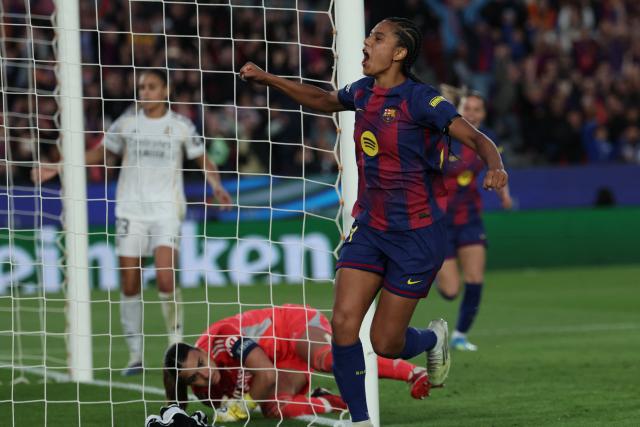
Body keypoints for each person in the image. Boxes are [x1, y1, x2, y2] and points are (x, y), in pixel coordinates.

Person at [239, 17, 508, 426]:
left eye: (377, 38)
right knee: (344, 324)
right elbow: (326, 101)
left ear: (399, 53)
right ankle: (362, 421)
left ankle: (432, 338)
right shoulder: (362, 92)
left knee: (385, 342)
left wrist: (495, 165)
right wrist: (269, 79)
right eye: (369, 36)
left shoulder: (421, 100)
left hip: (417, 235)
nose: (366, 42)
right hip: (370, 227)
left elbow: (474, 137)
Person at [35, 69, 233, 376]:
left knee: (166, 278)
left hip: (166, 210)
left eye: (152, 86)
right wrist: (57, 167)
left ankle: (175, 346)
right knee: (130, 283)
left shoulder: (180, 126)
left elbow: (202, 158)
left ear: (165, 90)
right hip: (130, 210)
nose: (145, 92)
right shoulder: (127, 122)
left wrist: (216, 185)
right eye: (142, 87)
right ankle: (135, 355)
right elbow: (101, 153)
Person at [163, 304, 432, 421]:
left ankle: (413, 373)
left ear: (202, 350)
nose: (205, 375)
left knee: (325, 359)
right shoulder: (206, 394)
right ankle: (334, 401)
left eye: (201, 362)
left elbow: (266, 375)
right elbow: (266, 383)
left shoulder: (222, 337)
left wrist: (242, 407)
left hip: (291, 327)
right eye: (194, 378)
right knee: (276, 409)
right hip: (279, 363)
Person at [436, 92, 513, 352]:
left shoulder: (487, 141)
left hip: (469, 217)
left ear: (483, 114)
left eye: (477, 109)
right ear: (459, 109)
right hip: (441, 219)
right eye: (467, 108)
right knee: (450, 291)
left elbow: (497, 168)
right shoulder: (443, 136)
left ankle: (460, 334)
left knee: (475, 277)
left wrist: (505, 195)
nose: (471, 113)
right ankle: (435, 271)